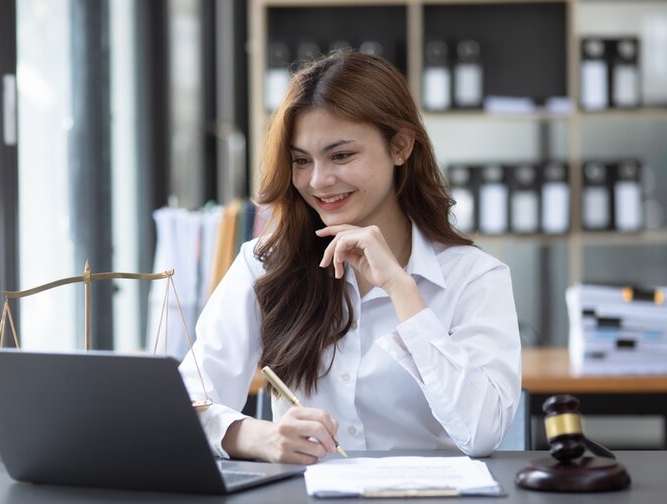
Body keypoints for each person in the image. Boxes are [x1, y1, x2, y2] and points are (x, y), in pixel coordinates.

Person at [180, 50, 521, 464]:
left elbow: (483, 432)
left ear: (401, 146)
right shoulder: (265, 265)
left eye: (341, 156)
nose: (318, 181)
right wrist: (259, 438)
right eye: (301, 161)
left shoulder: (474, 276)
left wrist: (402, 289)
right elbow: (185, 407)